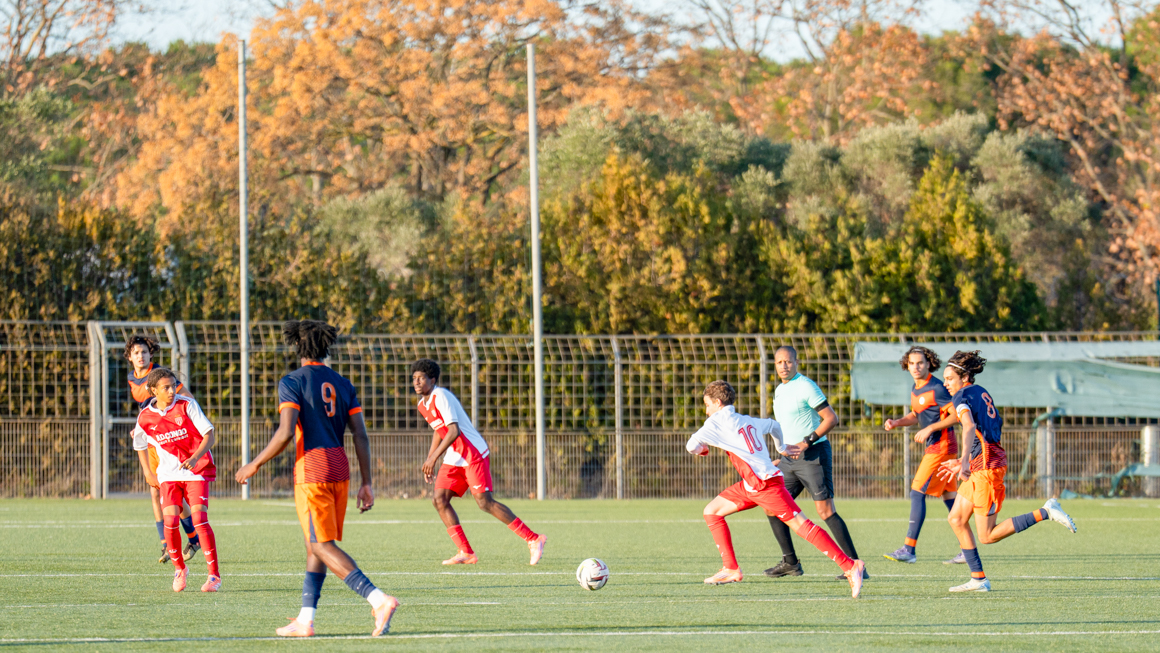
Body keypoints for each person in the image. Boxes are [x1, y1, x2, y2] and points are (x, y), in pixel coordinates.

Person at [236, 320, 399, 637]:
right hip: (341, 466)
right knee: (316, 545)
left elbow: (285, 432)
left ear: (297, 347)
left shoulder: (292, 381)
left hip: (313, 467)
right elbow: (361, 435)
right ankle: (305, 620)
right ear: (326, 347)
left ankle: (378, 599)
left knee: (320, 543)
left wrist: (253, 464)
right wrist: (367, 482)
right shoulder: (343, 383)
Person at [686, 380, 865, 597]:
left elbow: (691, 446)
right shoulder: (746, 420)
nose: (706, 410)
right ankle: (730, 568)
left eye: (707, 405)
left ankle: (849, 566)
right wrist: (781, 447)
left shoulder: (715, 423)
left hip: (765, 486)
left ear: (717, 402)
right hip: (753, 485)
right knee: (712, 511)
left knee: (802, 526)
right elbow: (773, 425)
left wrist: (703, 449)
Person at [935, 350, 1077, 592]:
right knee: (956, 518)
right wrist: (965, 460)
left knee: (987, 536)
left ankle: (1046, 511)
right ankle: (978, 579)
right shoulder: (981, 392)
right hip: (984, 461)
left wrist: (966, 461)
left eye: (949, 378)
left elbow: (969, 427)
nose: (946, 383)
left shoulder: (961, 396)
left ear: (965, 376)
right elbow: (989, 429)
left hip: (986, 468)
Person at [411, 358, 546, 566]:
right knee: (439, 499)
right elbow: (439, 431)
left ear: (433, 379)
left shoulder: (441, 396)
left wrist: (433, 458)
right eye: (414, 378)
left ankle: (533, 539)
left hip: (472, 453)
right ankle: (465, 551)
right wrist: (430, 459)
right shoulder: (423, 405)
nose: (417, 382)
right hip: (454, 456)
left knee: (485, 502)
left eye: (421, 378)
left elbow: (454, 430)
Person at [764, 346, 864, 581]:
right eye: (779, 362)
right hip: (789, 459)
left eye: (788, 361)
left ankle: (855, 565)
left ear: (796, 362)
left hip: (812, 455)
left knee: (825, 511)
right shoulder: (779, 390)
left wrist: (807, 442)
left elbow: (831, 418)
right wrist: (782, 453)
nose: (783, 366)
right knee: (772, 506)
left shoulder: (806, 385)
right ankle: (790, 563)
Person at [131, 367, 221, 593]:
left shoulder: (186, 405)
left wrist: (195, 457)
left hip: (195, 470)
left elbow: (209, 434)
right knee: (170, 522)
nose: (172, 391)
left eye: (173, 386)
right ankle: (180, 569)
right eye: (166, 388)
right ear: (153, 391)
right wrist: (147, 472)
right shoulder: (146, 416)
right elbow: (140, 444)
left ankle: (213, 577)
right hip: (169, 475)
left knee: (199, 518)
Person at [882, 345, 965, 565]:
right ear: (906, 365)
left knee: (917, 492)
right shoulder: (916, 388)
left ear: (929, 363)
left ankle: (909, 549)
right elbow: (918, 414)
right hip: (938, 446)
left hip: (942, 446)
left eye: (920, 362)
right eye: (912, 363)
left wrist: (931, 428)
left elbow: (957, 415)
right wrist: (897, 422)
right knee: (950, 498)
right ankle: (967, 548)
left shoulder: (937, 387)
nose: (916, 367)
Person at [125, 334, 200, 564]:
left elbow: (186, 398)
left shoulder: (160, 376)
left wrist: (185, 424)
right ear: (129, 357)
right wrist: (140, 425)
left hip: (168, 438)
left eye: (144, 352)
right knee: (155, 490)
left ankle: (193, 537)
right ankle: (166, 544)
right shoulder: (132, 379)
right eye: (136, 352)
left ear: (151, 355)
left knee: (171, 491)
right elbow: (147, 408)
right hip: (152, 438)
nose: (141, 356)